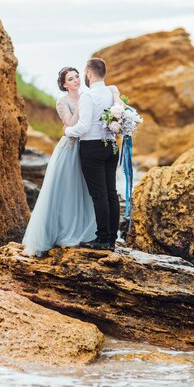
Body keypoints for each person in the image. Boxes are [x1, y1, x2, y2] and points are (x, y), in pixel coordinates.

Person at [22, 67, 96, 256]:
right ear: (64, 84)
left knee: (84, 189)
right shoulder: (62, 102)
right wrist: (81, 105)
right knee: (66, 189)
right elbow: (70, 124)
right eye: (71, 79)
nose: (76, 80)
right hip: (70, 149)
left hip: (87, 146)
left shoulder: (88, 96)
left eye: (77, 76)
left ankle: (84, 230)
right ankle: (61, 230)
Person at [65, 58, 121, 251]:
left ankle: (102, 238)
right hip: (112, 147)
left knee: (99, 194)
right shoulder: (111, 93)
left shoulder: (88, 97)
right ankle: (112, 238)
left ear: (89, 73)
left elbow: (83, 126)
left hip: (93, 148)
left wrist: (67, 132)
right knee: (111, 193)